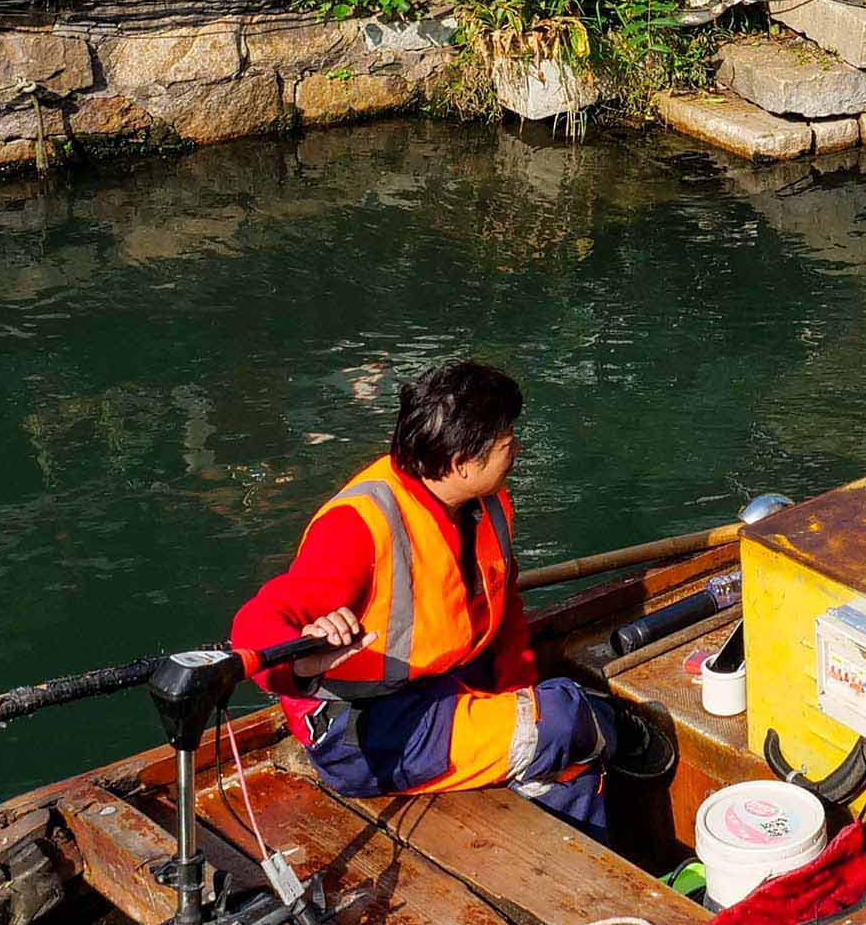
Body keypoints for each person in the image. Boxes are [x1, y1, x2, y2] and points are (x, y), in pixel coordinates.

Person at [228, 356, 620, 832]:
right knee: (570, 721)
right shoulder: (359, 526)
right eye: (504, 443)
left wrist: (519, 693)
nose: (516, 448)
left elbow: (506, 608)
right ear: (460, 464)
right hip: (369, 731)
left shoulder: (484, 501)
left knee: (565, 745)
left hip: (442, 683)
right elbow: (255, 628)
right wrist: (303, 665)